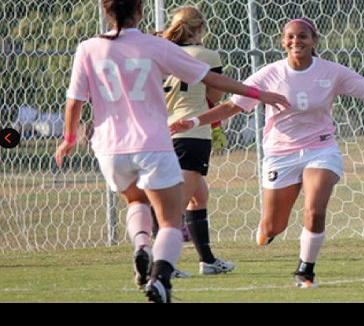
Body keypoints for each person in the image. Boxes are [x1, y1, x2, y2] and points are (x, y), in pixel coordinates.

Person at [54, 0, 289, 303]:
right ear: (140, 10)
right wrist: (259, 93)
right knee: (169, 221)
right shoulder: (154, 45)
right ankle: (160, 278)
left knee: (135, 201)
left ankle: (141, 247)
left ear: (105, 11)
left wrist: (69, 139)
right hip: (153, 142)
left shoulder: (87, 48)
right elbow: (211, 79)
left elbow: (75, 101)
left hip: (110, 147)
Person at [170, 18, 364, 288]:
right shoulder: (269, 74)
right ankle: (268, 230)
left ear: (314, 41)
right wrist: (195, 121)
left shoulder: (331, 71)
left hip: (321, 148)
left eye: (302, 36)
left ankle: (305, 270)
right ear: (283, 42)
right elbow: (232, 107)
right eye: (290, 37)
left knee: (314, 210)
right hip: (280, 154)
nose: (296, 42)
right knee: (272, 228)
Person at [160, 6, 234, 275]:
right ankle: (163, 264)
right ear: (201, 28)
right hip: (192, 133)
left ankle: (208, 260)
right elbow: (214, 94)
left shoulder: (162, 54)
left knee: (198, 196)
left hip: (164, 131)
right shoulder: (207, 54)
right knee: (176, 205)